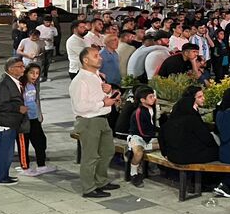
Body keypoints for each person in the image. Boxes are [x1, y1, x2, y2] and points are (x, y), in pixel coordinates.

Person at [69, 48, 120, 197]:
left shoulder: (97, 76)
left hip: (102, 119)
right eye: (96, 56)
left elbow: (101, 97)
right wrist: (103, 104)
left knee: (107, 151)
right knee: (90, 156)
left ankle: (101, 181)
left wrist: (109, 91)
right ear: (85, 60)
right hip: (89, 121)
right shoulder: (80, 80)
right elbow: (80, 106)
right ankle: (89, 188)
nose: (100, 58)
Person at [0, 58, 29, 185]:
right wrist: (18, 108)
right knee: (4, 152)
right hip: (3, 124)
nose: (23, 69)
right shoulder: (3, 83)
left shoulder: (10, 81)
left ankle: (2, 174)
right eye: (20, 66)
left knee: (6, 152)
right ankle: (0, 177)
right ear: (11, 69)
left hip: (8, 123)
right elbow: (0, 105)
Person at [159, 86, 218, 165]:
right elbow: (206, 137)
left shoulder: (177, 111)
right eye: (199, 97)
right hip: (185, 156)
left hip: (172, 155)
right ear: (192, 99)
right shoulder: (191, 117)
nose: (203, 98)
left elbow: (162, 133)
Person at [18, 63, 52, 175]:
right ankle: (25, 167)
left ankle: (41, 165)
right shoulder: (20, 85)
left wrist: (39, 114)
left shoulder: (35, 84)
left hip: (34, 117)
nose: (35, 75)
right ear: (26, 72)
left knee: (40, 141)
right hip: (24, 120)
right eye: (32, 73)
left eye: (37, 73)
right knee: (24, 143)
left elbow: (36, 100)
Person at [126, 85, 158, 187]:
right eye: (151, 97)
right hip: (137, 137)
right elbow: (141, 131)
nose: (154, 98)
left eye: (153, 96)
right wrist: (156, 135)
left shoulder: (151, 109)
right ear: (142, 100)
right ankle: (133, 173)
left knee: (165, 144)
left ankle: (136, 151)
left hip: (148, 137)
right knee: (139, 153)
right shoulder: (139, 112)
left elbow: (152, 126)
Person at [35, 17, 58, 81]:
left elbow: (56, 35)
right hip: (42, 47)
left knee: (47, 63)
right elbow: (36, 37)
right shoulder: (39, 28)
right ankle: (40, 76)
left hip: (50, 47)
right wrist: (43, 38)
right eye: (47, 22)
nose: (48, 23)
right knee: (42, 62)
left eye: (49, 22)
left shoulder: (53, 28)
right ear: (44, 21)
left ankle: (45, 76)